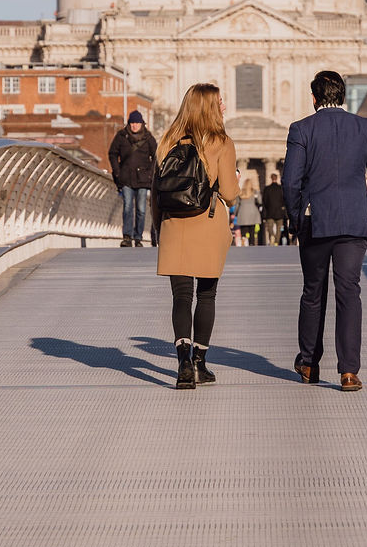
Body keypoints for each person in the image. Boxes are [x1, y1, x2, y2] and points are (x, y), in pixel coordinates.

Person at [283, 69, 367, 392]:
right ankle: (348, 372)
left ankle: (309, 364)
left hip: (315, 222)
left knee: (313, 293)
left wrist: (297, 218)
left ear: (314, 98)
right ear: (343, 96)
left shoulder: (302, 129)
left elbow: (290, 181)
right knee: (349, 292)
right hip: (354, 224)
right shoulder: (365, 127)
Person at [154, 83, 238, 390]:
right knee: (206, 295)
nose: (224, 106)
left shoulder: (167, 141)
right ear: (209, 107)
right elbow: (229, 194)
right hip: (208, 225)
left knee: (181, 297)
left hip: (173, 225)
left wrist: (158, 228)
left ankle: (182, 363)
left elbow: (155, 193)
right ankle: (200, 364)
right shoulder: (221, 141)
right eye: (219, 102)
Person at [108, 110, 158, 247]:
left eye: (137, 123)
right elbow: (112, 153)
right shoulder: (121, 136)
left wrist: (150, 173)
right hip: (126, 178)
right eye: (132, 123)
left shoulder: (148, 138)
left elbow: (156, 156)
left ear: (142, 124)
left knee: (141, 209)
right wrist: (117, 171)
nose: (134, 125)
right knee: (127, 207)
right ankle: (127, 236)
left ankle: (138, 237)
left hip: (143, 179)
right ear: (129, 124)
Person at [261, 175, 288, 246]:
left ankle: (272, 235)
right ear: (277, 179)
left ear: (271, 178)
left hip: (270, 211)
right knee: (279, 228)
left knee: (270, 226)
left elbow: (264, 201)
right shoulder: (281, 188)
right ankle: (276, 241)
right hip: (279, 211)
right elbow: (284, 199)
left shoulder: (267, 189)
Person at [233, 179, 261, 246]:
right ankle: (251, 243)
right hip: (252, 213)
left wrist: (235, 213)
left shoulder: (240, 193)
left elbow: (237, 204)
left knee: (243, 230)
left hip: (243, 213)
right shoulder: (255, 192)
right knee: (252, 230)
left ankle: (243, 240)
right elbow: (260, 201)